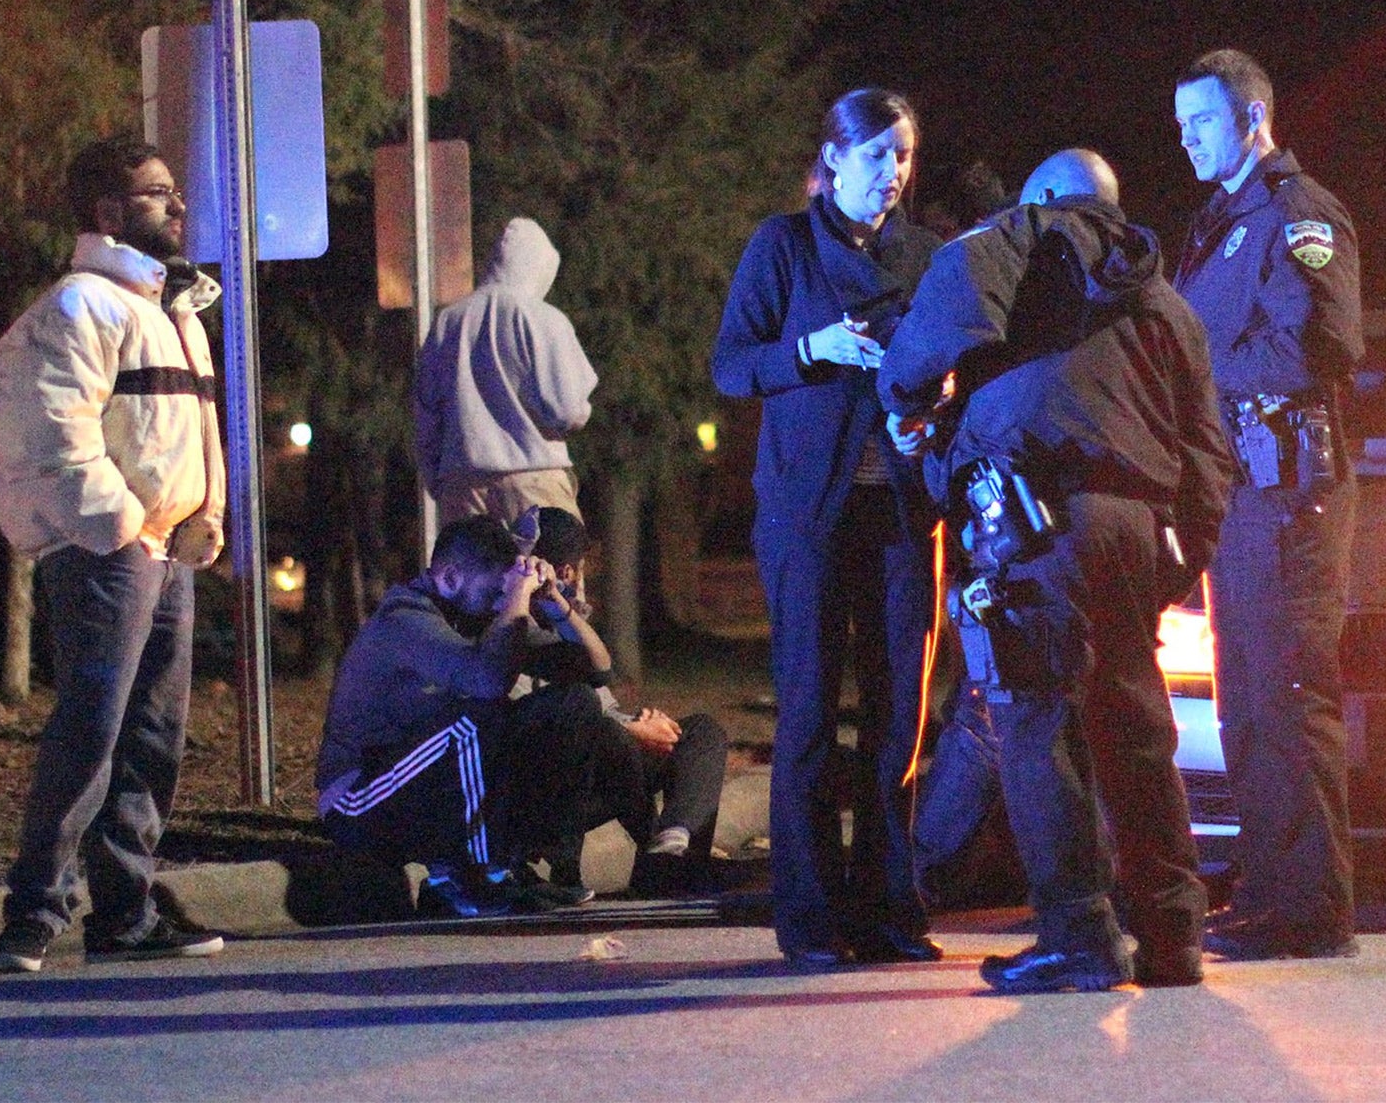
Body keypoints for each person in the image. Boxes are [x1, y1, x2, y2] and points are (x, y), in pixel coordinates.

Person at [881, 148, 1236, 993]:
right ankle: (1171, 934)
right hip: (1134, 528)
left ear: (1042, 198)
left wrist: (911, 415)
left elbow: (913, 364)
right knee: (1135, 722)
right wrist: (1178, 562)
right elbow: (1208, 450)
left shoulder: (1005, 247)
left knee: (1039, 729)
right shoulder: (1165, 301)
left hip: (1031, 523)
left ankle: (1078, 935)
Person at [0, 136, 228, 972]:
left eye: (174, 192)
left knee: (151, 738)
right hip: (111, 552)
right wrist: (120, 525)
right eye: (159, 194)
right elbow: (50, 430)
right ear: (109, 213)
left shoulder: (170, 311)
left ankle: (124, 914)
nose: (179, 205)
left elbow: (190, 432)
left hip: (160, 552)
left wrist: (204, 516)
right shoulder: (79, 306)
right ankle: (34, 914)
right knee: (92, 732)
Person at [712, 88, 943, 968]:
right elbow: (733, 366)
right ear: (835, 159)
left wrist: (939, 390)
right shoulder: (783, 246)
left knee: (897, 718)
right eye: (878, 155)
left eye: (905, 157)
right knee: (809, 715)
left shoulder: (923, 256)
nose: (893, 174)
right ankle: (810, 920)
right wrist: (815, 350)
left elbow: (957, 353)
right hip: (811, 516)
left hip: (901, 513)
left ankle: (890, 910)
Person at [1171, 48, 1364, 961]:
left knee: (1286, 700)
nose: (1187, 140)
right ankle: (1268, 893)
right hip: (1239, 492)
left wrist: (1195, 377)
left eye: (1201, 122)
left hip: (1288, 491)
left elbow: (1318, 346)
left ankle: (1308, 910)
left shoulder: (1298, 216)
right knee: (1247, 702)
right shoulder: (1221, 225)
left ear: (1252, 119)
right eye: (1180, 126)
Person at [314, 515, 628, 915]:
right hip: (359, 798)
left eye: (506, 588)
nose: (503, 598)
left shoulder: (474, 613)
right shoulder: (406, 619)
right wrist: (515, 601)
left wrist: (554, 602)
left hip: (421, 782)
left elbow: (597, 669)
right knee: (474, 718)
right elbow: (486, 683)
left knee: (573, 704)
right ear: (450, 577)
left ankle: (531, 864)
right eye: (495, 588)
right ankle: (478, 876)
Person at [522, 507, 731, 898]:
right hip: (554, 783)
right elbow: (550, 712)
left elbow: (600, 677)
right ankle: (660, 860)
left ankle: (674, 844)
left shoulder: (564, 619)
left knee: (700, 732)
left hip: (606, 753)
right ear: (569, 570)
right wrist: (628, 727)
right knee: (611, 737)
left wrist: (638, 720)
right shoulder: (516, 627)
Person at [414, 216, 598, 527]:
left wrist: (441, 480)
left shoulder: (448, 322)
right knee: (545, 573)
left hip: (462, 483)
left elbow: (427, 416)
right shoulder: (542, 318)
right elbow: (567, 410)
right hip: (533, 481)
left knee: (472, 575)